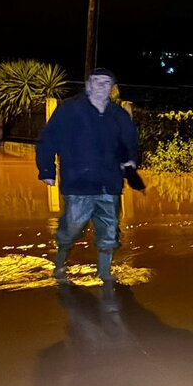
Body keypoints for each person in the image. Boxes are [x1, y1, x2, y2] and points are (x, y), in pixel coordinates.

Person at [36, 68, 138, 282]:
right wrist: (47, 170)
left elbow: (130, 143)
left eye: (106, 82)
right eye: (97, 81)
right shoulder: (69, 110)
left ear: (112, 88)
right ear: (88, 85)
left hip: (109, 183)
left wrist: (130, 161)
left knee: (110, 230)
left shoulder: (119, 115)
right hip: (78, 183)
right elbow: (48, 139)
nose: (101, 85)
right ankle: (60, 264)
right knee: (71, 229)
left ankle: (104, 273)